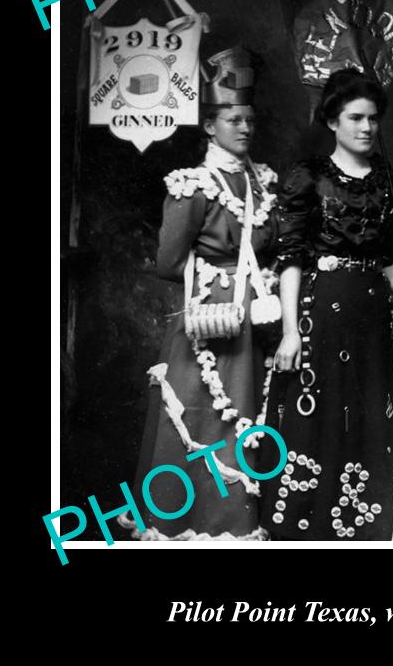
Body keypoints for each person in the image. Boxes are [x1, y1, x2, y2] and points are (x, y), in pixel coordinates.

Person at [259, 69, 393, 541]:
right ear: (332, 121)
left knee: (371, 413)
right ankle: (306, 529)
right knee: (320, 416)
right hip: (322, 313)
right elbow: (290, 260)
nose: (367, 128)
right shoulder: (308, 177)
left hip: (372, 316)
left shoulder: (385, 179)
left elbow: (391, 256)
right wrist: (292, 331)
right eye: (355, 117)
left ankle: (362, 529)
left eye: (374, 118)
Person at [131, 47, 279, 541]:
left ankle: (234, 526)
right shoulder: (192, 186)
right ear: (210, 126)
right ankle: (183, 526)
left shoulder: (265, 182)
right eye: (234, 119)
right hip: (207, 325)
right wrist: (218, 285)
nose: (245, 129)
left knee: (244, 421)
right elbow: (169, 262)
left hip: (253, 325)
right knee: (201, 420)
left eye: (250, 120)